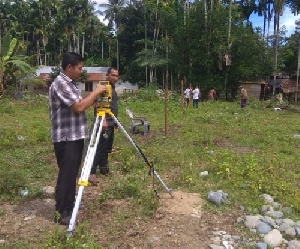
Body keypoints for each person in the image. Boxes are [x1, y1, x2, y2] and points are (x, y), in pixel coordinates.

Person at [49, 52, 107, 225]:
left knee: (72, 172)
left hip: (74, 135)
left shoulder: (70, 84)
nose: (81, 71)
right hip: (66, 137)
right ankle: (63, 212)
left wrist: (94, 101)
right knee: (67, 174)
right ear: (69, 67)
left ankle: (70, 203)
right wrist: (95, 92)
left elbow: (79, 103)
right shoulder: (61, 83)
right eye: (79, 68)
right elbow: (79, 106)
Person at [88, 67, 119, 185]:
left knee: (107, 148)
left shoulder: (113, 88)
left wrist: (115, 122)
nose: (115, 78)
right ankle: (92, 172)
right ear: (107, 75)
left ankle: (103, 169)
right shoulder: (103, 87)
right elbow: (98, 105)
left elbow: (112, 106)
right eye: (113, 75)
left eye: (117, 76)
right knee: (99, 147)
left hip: (111, 122)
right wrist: (103, 120)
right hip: (104, 122)